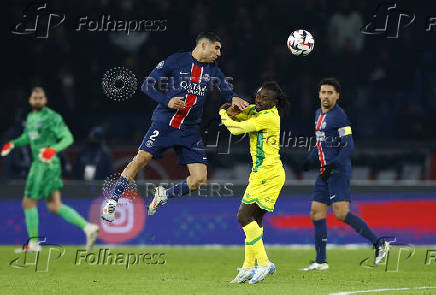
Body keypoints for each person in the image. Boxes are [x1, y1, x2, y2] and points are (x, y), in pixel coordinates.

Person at [101, 32, 249, 221]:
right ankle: (111, 203)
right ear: (204, 46)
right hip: (166, 123)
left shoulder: (212, 68)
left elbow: (225, 88)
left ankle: (164, 195)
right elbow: (147, 85)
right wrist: (167, 101)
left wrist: (233, 97)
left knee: (199, 180)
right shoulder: (176, 60)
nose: (219, 53)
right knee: (140, 159)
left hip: (189, 131)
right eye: (217, 48)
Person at [300, 78, 389, 271]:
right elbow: (321, 143)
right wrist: (309, 159)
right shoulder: (318, 114)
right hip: (325, 172)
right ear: (319, 94)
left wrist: (333, 165)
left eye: (330, 93)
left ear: (337, 96)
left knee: (341, 214)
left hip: (338, 171)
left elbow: (349, 145)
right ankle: (321, 261)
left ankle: (379, 244)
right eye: (323, 92)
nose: (326, 96)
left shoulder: (339, 116)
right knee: (316, 212)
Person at [1, 87, 99, 252]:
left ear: (45, 100)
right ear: (30, 100)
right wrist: (13, 144)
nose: (37, 100)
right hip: (44, 165)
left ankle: (33, 244)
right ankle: (88, 228)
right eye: (35, 98)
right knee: (54, 205)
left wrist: (52, 149)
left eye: (40, 98)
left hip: (44, 164)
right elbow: (28, 137)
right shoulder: (31, 117)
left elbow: (68, 138)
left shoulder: (52, 117)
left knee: (28, 202)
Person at [219, 81, 289, 284]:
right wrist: (231, 109)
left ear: (274, 102)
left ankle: (265, 263)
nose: (259, 100)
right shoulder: (258, 110)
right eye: (258, 96)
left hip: (269, 174)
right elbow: (240, 114)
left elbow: (236, 129)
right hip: (261, 173)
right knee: (254, 220)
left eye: (264, 98)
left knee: (243, 216)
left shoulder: (268, 117)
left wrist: (223, 115)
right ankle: (249, 268)